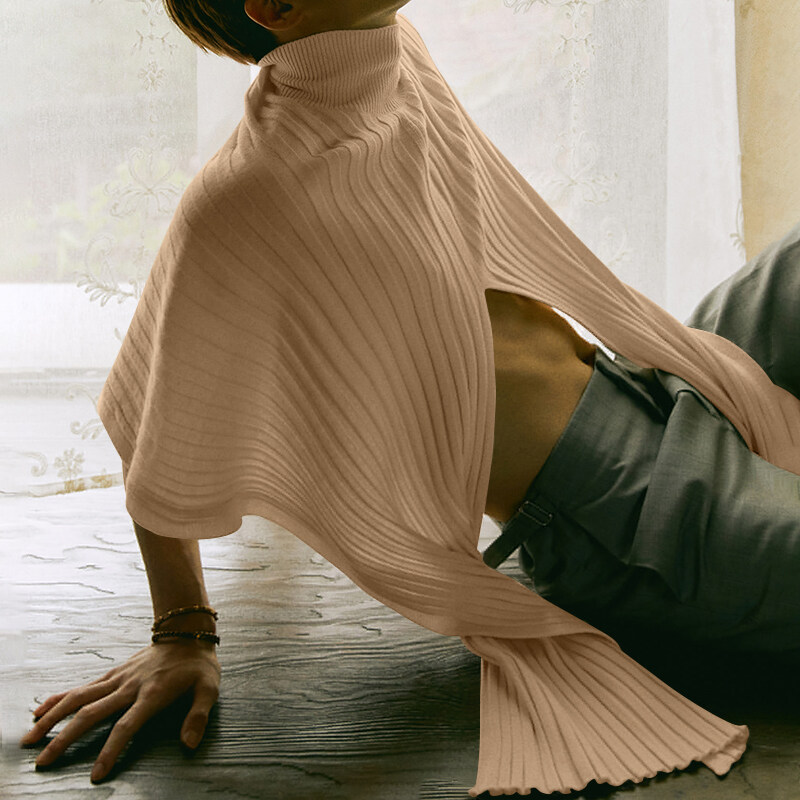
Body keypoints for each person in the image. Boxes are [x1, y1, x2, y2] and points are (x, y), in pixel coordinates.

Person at [19, 0, 800, 794]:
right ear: (276, 7)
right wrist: (181, 630)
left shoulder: (395, 57)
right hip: (621, 511)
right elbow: (148, 413)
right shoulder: (244, 197)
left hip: (656, 371)